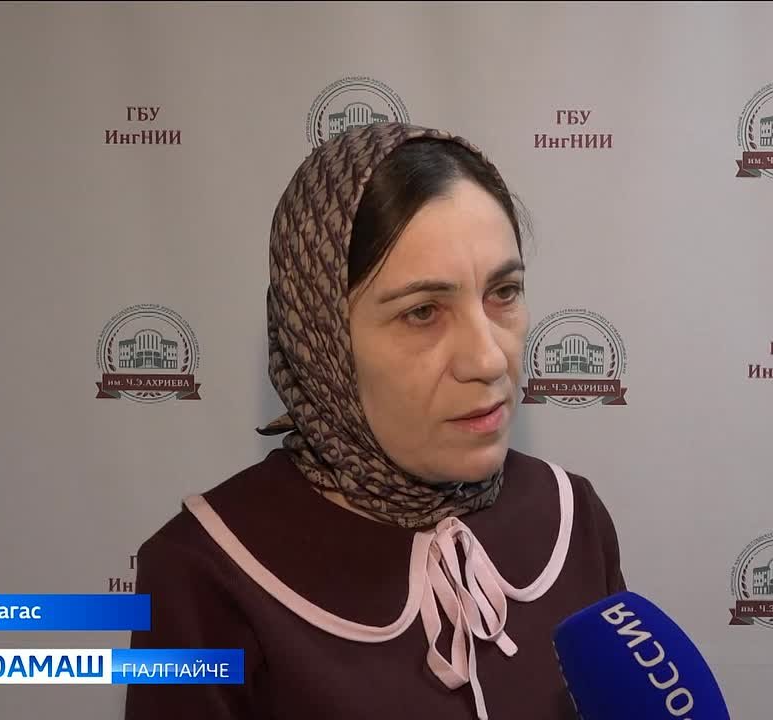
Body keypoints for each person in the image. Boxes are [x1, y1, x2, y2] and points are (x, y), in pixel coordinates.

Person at [124, 122, 627, 720]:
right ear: (322, 340)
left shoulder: (572, 519)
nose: (489, 359)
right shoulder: (202, 573)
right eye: (423, 312)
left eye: (504, 292)